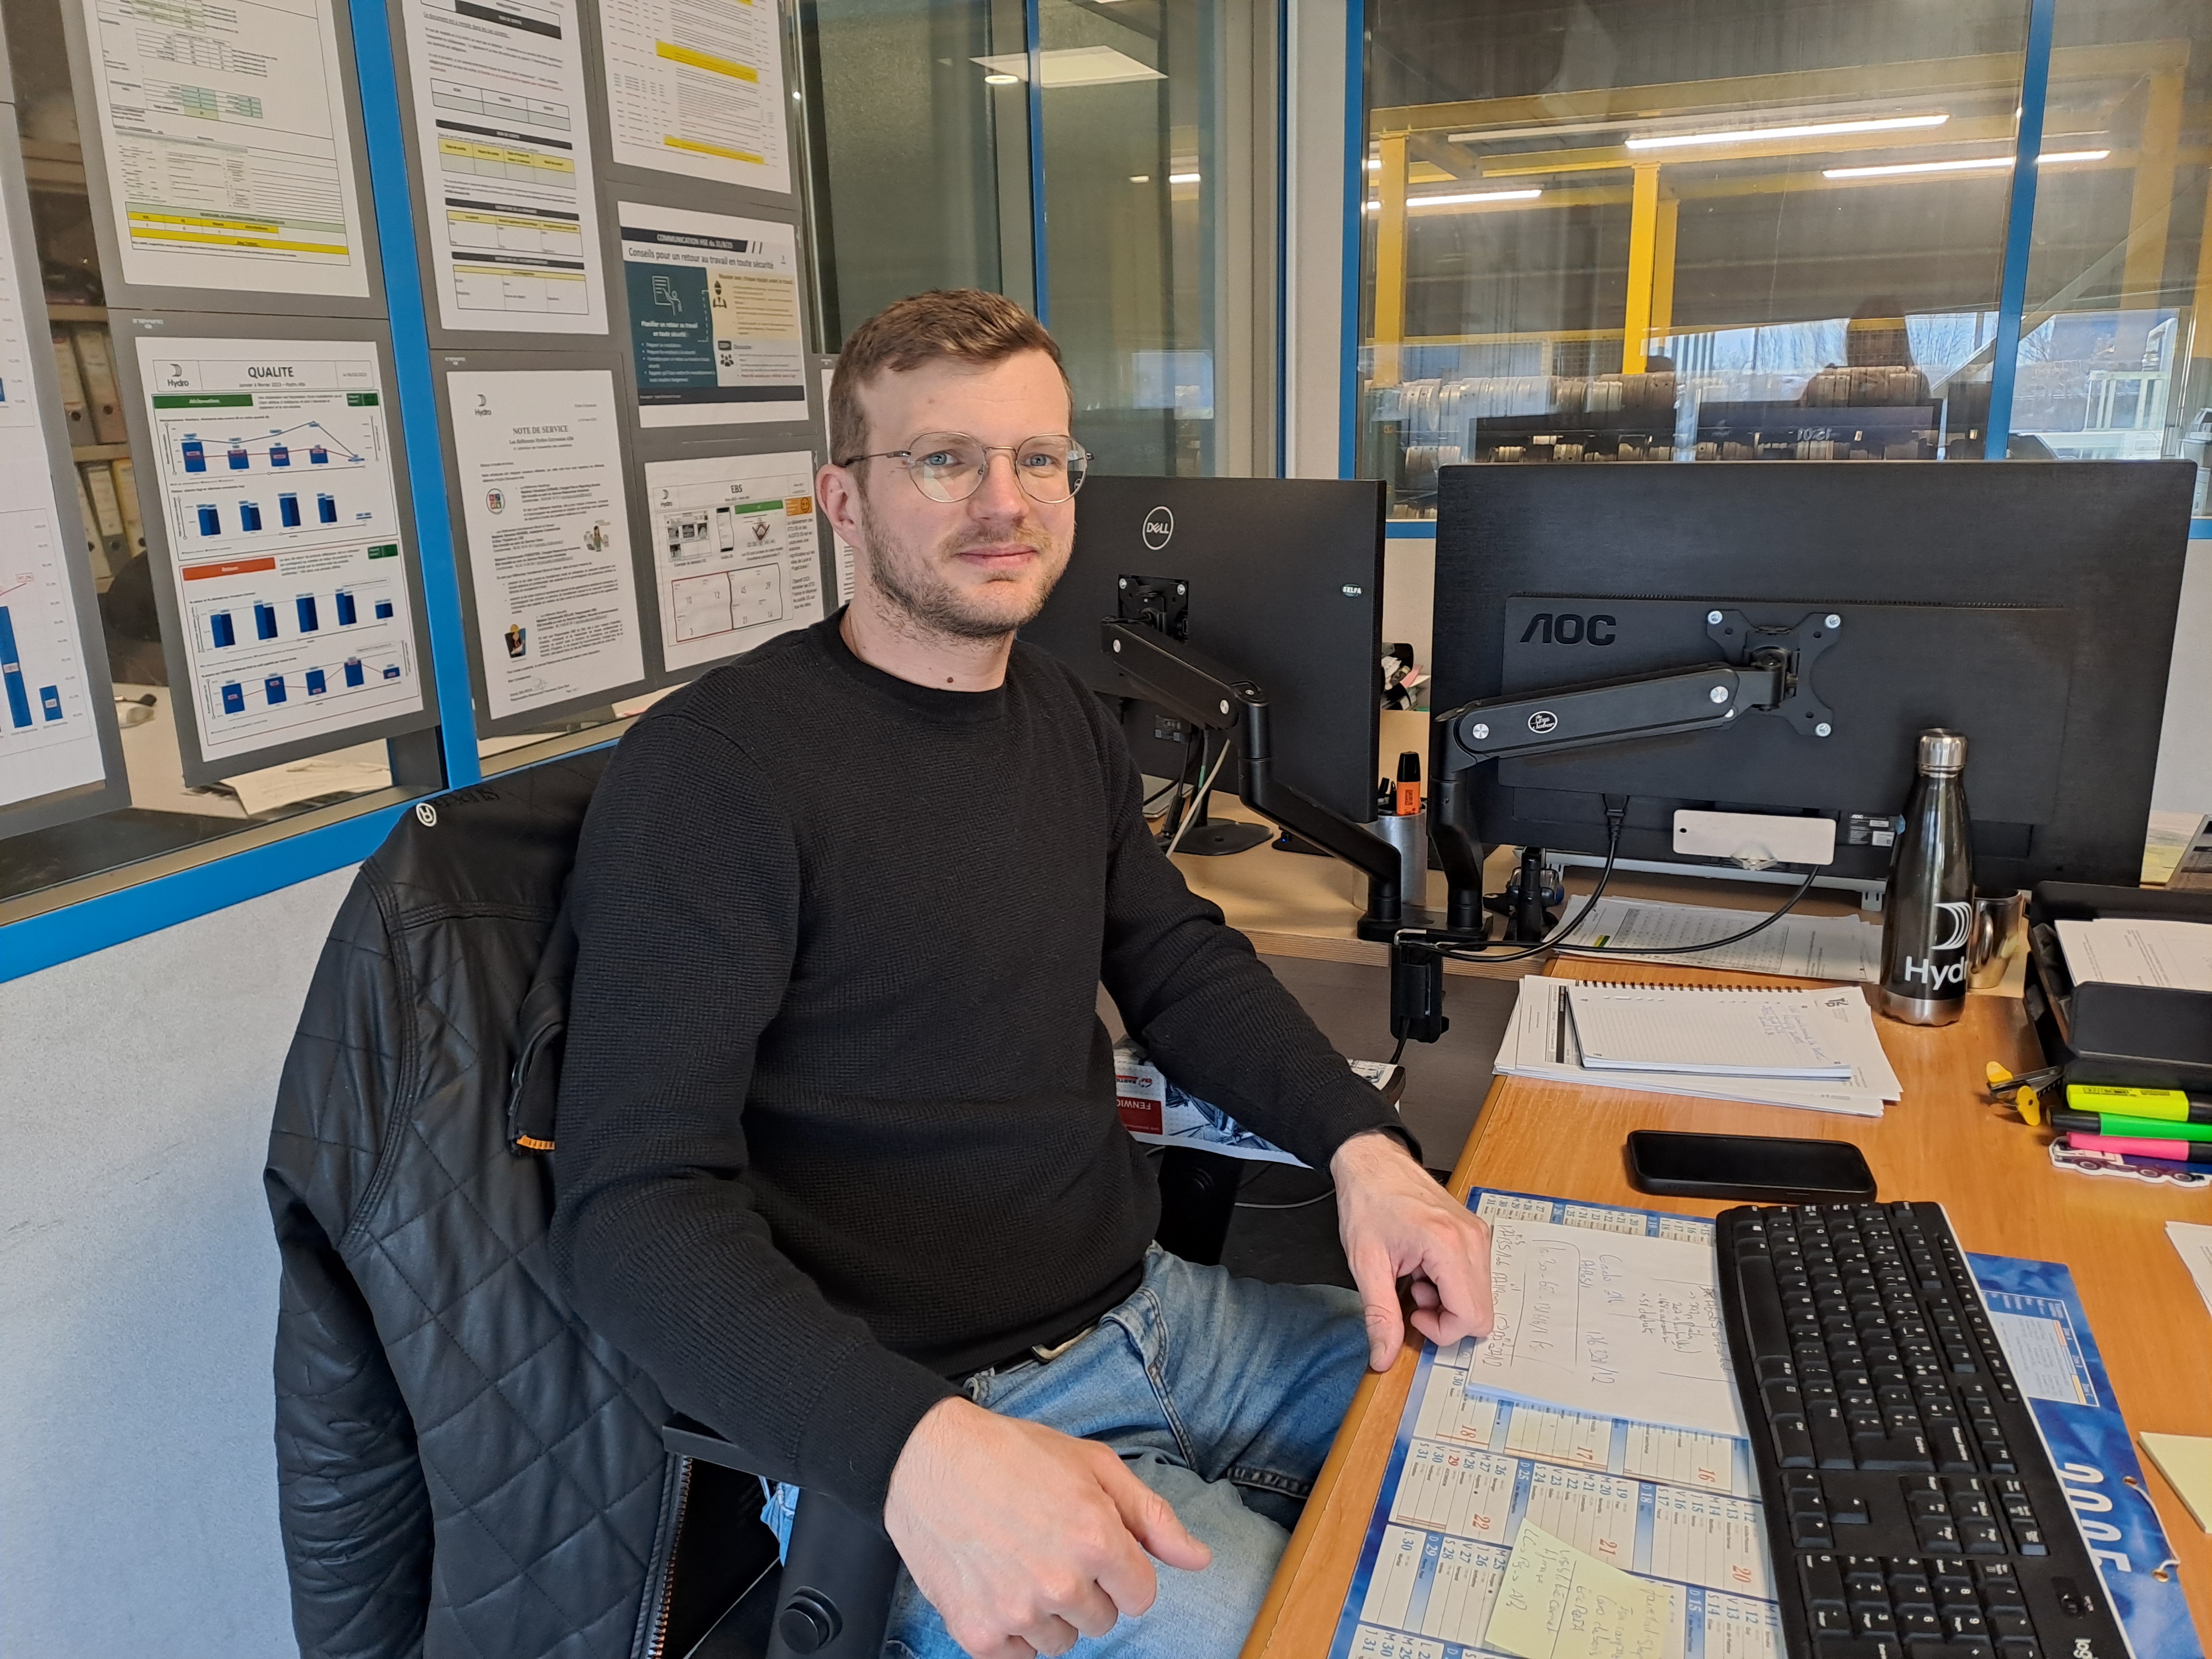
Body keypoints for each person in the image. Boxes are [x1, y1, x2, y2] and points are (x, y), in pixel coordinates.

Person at [550, 288, 1494, 1659]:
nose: (1005, 501)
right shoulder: (716, 772)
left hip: (1164, 1316)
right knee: (1363, 1630)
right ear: (842, 498)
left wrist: (1365, 1152)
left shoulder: (1057, 712)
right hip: (944, 1417)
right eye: (943, 460)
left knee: (1520, 1436)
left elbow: (1171, 961)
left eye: (1039, 458)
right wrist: (914, 1451)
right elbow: (628, 1211)